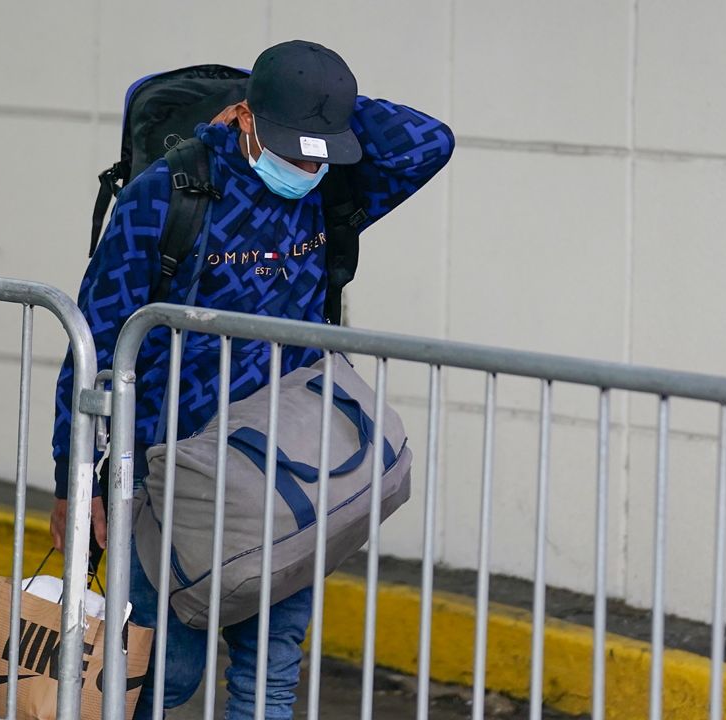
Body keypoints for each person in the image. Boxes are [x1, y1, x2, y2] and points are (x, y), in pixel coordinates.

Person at [49, 40, 454, 720]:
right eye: (292, 145)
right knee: (162, 677)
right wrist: (74, 477)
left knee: (268, 676)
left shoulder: (332, 179)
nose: (305, 165)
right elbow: (93, 340)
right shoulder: (166, 195)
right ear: (244, 117)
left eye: (319, 148)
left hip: (285, 476)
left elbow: (429, 142)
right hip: (174, 475)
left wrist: (330, 108)